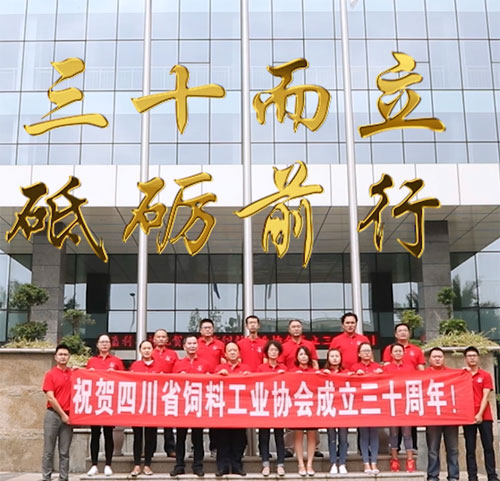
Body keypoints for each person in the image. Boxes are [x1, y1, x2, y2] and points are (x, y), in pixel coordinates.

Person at [281, 320, 321, 459]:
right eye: (293, 327)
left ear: (302, 329)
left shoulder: (309, 344)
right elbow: (281, 365)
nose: (296, 329)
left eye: (298, 326)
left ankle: (315, 448)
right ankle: (289, 448)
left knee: (312, 416)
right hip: (292, 388)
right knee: (292, 418)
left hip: (309, 388)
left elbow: (314, 362)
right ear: (289, 330)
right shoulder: (284, 346)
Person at [86, 334, 125, 477]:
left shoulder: (116, 361)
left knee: (109, 434)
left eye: (107, 342)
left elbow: (124, 379)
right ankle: (94, 465)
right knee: (95, 434)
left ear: (110, 345)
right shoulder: (91, 361)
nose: (104, 344)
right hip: (96, 403)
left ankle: (108, 464)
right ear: (97, 345)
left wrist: (115, 374)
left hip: (109, 402)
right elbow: (86, 380)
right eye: (102, 342)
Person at [170, 336, 208, 477]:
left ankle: (198, 466)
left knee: (198, 437)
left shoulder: (205, 364)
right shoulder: (178, 364)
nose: (192, 346)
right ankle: (179, 465)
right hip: (182, 405)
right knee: (180, 437)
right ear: (184, 346)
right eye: (189, 343)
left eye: (194, 343)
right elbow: (171, 383)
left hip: (198, 405)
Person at [129, 340, 166, 476]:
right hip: (138, 405)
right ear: (140, 350)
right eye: (144, 348)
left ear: (152, 350)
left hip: (153, 405)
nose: (146, 350)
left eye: (149, 348)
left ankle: (148, 465)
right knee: (137, 436)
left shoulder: (160, 366)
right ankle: (137, 465)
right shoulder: (135, 365)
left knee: (151, 436)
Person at [462, 346, 498, 481]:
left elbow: (486, 396)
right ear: (465, 359)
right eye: (469, 356)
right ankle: (472, 476)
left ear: (478, 357)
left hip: (485, 416)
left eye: (474, 355)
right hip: (467, 416)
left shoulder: (485, 375)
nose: (472, 358)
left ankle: (492, 475)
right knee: (470, 448)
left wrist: (480, 414)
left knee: (488, 446)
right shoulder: (462, 375)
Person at [213, 343, 250, 476]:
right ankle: (222, 467)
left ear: (239, 353)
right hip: (223, 410)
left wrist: (249, 377)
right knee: (222, 439)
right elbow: (212, 386)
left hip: (240, 409)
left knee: (239, 439)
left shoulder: (246, 368)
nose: (233, 352)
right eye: (230, 351)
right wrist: (218, 376)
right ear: (225, 354)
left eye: (235, 350)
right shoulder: (219, 368)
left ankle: (236, 466)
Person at [426, 347, 459, 481]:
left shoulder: (452, 374)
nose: (437, 359)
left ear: (444, 358)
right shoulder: (423, 375)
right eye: (435, 357)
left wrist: (465, 373)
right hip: (432, 418)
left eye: (440, 356)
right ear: (429, 359)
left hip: (450, 418)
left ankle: (453, 476)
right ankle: (433, 476)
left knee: (453, 449)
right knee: (433, 449)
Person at [42, 344, 73, 481]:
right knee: (48, 451)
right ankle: (46, 477)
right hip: (53, 415)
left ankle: (64, 478)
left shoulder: (73, 374)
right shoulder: (50, 374)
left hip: (69, 416)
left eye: (65, 355)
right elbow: (50, 397)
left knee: (64, 452)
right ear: (55, 357)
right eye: (60, 354)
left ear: (69, 357)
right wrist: (63, 415)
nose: (63, 357)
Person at [351, 342, 383, 474]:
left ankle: (374, 462)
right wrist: (354, 375)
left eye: (369, 351)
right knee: (364, 434)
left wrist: (381, 374)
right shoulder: (354, 367)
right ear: (359, 354)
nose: (366, 353)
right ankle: (366, 462)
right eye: (364, 351)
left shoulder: (377, 367)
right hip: (361, 404)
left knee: (374, 434)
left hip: (375, 404)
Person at [383, 343, 416, 473]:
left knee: (407, 433)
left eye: (400, 351)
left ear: (403, 353)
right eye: (395, 351)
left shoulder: (410, 367)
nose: (398, 353)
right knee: (394, 433)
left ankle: (410, 460)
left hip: (406, 403)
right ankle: (394, 459)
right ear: (391, 354)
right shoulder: (386, 368)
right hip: (392, 404)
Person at [257, 340, 287, 477]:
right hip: (265, 405)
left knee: (279, 436)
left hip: (279, 405)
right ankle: (265, 464)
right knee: (264, 436)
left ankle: (280, 464)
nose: (273, 352)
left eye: (275, 350)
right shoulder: (261, 368)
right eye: (271, 350)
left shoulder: (284, 368)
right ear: (266, 353)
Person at [197, 318, 225, 458]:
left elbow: (224, 362)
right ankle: (196, 448)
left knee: (214, 418)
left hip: (215, 385)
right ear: (200, 330)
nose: (207, 330)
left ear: (213, 329)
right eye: (205, 327)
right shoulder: (195, 344)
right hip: (199, 385)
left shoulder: (220, 345)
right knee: (198, 417)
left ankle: (215, 447)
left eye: (210, 327)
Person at [292, 346, 318, 476]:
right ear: (297, 357)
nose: (303, 357)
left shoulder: (314, 372)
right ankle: (301, 464)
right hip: (298, 407)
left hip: (311, 406)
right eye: (301, 354)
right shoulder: (291, 372)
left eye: (305, 354)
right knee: (298, 435)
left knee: (311, 436)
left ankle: (310, 464)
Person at [152, 328, 178, 458]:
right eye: (158, 337)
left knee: (168, 421)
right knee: (152, 422)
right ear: (154, 339)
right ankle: (150, 449)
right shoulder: (150, 352)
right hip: (153, 391)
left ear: (167, 339)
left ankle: (170, 448)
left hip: (168, 390)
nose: (161, 339)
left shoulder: (173, 354)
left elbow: (177, 370)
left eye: (163, 337)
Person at [322, 349, 348, 475]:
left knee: (343, 438)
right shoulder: (323, 373)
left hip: (343, 409)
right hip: (330, 409)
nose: (335, 358)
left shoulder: (346, 373)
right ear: (328, 358)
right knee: (331, 438)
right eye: (332, 356)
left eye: (337, 356)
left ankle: (342, 462)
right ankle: (333, 462)